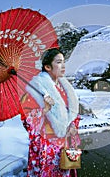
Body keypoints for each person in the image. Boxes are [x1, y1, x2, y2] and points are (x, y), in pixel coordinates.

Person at [20, 48, 80, 177]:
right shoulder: (36, 90)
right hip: (47, 144)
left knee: (65, 170)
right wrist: (45, 109)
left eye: (64, 62)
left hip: (65, 141)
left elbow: (73, 112)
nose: (63, 66)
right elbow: (27, 120)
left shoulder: (65, 87)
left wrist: (72, 125)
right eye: (58, 62)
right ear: (47, 67)